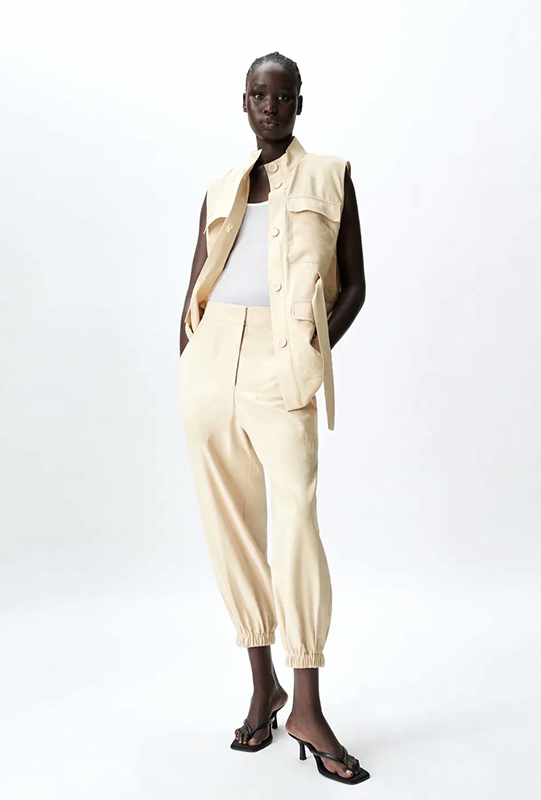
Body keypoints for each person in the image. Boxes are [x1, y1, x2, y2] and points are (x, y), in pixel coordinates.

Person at [178, 51, 369, 784]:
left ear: (298, 104)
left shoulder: (331, 176)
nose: (270, 106)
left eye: (282, 96)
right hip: (211, 360)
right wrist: (190, 354)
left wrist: (313, 352)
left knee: (296, 526)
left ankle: (307, 705)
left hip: (282, 364)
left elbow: (354, 286)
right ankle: (264, 689)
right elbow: (196, 282)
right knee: (229, 526)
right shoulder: (220, 187)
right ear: (244, 102)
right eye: (259, 94)